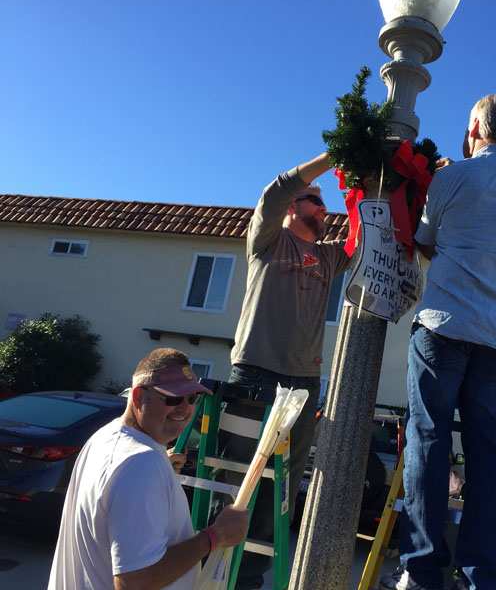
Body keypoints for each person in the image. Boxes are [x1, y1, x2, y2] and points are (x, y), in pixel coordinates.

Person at [383, 94, 496, 590]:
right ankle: (481, 574)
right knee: (489, 451)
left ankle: (422, 569)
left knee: (429, 440)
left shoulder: (452, 178)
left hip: (446, 324)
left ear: (477, 125)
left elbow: (426, 240)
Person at [221, 151, 350, 589]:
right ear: (293, 206)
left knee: (282, 487)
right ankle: (216, 567)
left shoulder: (328, 258)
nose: (324, 208)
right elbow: (273, 189)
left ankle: (250, 579)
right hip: (255, 372)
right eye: (315, 199)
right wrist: (335, 156)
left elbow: (367, 237)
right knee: (238, 476)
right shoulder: (267, 241)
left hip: (304, 383)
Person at [48, 348, 249, 590]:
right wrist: (216, 536)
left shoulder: (105, 438)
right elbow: (135, 583)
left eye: (192, 398)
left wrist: (161, 470)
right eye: (172, 398)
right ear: (137, 397)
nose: (184, 409)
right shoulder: (141, 464)